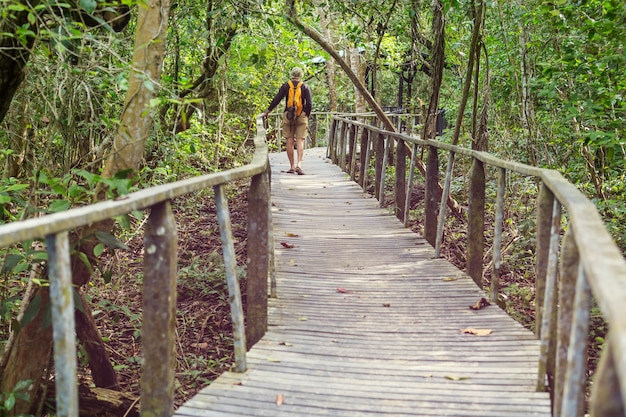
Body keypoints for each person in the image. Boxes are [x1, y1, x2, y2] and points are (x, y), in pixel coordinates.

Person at [262, 67, 312, 175]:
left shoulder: (286, 86)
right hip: (301, 115)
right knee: (300, 141)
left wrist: (268, 111)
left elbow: (277, 98)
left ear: (291, 75)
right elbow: (309, 104)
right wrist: (306, 115)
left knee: (289, 140)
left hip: (288, 115)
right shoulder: (305, 86)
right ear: (301, 75)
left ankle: (292, 166)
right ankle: (299, 164)